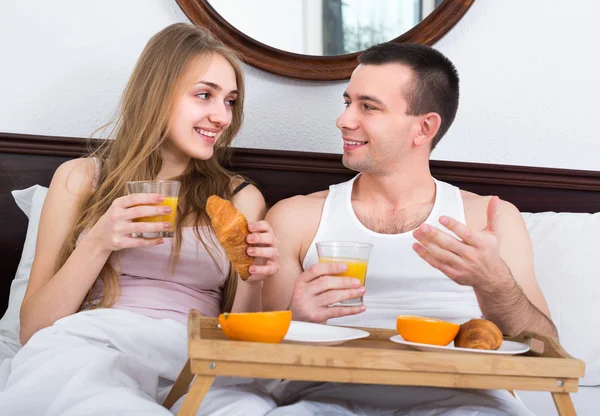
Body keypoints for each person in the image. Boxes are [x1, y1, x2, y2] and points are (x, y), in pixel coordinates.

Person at [262, 42, 557, 415]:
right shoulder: (296, 218)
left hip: (465, 401)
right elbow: (262, 362)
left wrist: (495, 283)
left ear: (424, 127)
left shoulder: (489, 219)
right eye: (347, 102)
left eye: (368, 107)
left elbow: (546, 353)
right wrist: (296, 321)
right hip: (325, 397)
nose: (344, 120)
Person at [0, 23, 279, 415]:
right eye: (205, 96)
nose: (222, 117)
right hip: (93, 349)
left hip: (192, 357)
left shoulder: (239, 199)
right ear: (157, 93)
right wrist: (98, 242)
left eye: (230, 101)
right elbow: (33, 331)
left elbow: (242, 347)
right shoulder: (81, 179)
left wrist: (254, 279)